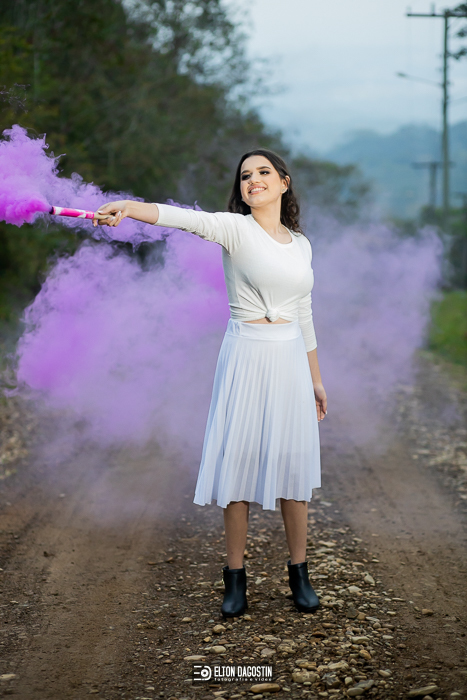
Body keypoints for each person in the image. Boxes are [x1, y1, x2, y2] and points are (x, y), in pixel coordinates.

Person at [93, 148, 327, 618]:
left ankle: (299, 574)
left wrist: (316, 380)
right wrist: (128, 207)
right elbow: (180, 218)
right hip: (245, 354)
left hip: (289, 360)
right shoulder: (235, 229)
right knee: (237, 463)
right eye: (245, 175)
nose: (253, 179)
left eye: (263, 172)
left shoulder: (300, 243)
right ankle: (235, 578)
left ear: (284, 182)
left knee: (293, 464)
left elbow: (304, 313)